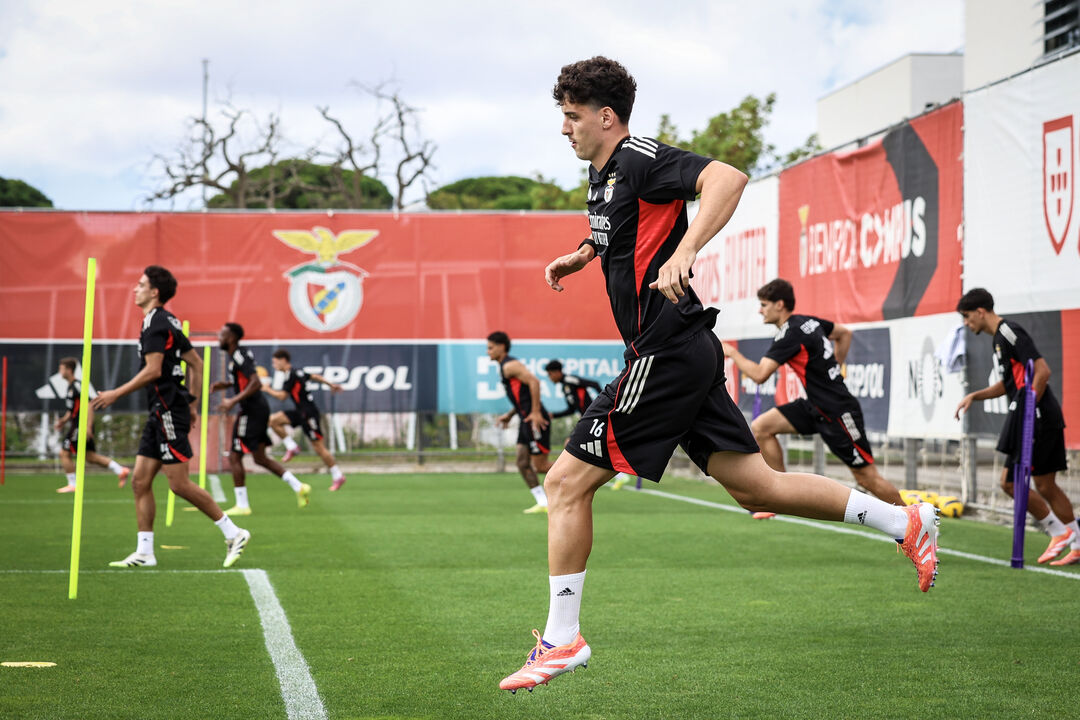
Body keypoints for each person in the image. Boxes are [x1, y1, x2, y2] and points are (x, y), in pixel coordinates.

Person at [498, 56, 939, 694]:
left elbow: (727, 179)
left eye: (571, 117)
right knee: (757, 487)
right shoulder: (602, 178)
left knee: (564, 483)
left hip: (666, 349)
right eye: (561, 116)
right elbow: (623, 227)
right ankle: (907, 522)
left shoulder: (640, 155)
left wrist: (687, 248)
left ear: (605, 117)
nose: (563, 128)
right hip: (682, 349)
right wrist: (583, 254)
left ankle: (562, 641)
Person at [91, 266, 250, 568]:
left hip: (166, 410)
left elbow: (153, 371)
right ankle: (145, 552)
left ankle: (234, 532)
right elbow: (197, 363)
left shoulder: (156, 324)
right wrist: (192, 402)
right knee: (139, 481)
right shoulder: (165, 321)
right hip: (162, 410)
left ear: (154, 292)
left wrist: (115, 393)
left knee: (178, 484)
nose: (134, 289)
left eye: (140, 285)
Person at [722, 278, 904, 514]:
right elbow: (843, 334)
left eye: (764, 304)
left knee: (867, 478)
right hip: (816, 405)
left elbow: (759, 375)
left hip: (838, 411)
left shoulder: (790, 334)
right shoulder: (807, 321)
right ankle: (778, 496)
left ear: (779, 305)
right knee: (761, 427)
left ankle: (914, 522)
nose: (760, 310)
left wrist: (732, 352)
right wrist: (834, 367)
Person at [954, 288, 1079, 566]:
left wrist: (1029, 411)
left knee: (1021, 483)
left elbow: (1042, 371)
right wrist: (975, 395)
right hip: (1030, 414)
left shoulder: (1009, 331)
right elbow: (1008, 384)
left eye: (966, 316)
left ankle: (1062, 533)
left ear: (980, 311)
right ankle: (1072, 538)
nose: (966, 322)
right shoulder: (998, 340)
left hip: (1037, 416)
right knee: (1038, 485)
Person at [210, 323, 312, 515]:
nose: (219, 338)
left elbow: (255, 382)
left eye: (222, 334)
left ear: (231, 337)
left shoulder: (239, 354)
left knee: (234, 456)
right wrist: (228, 385)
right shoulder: (237, 357)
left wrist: (233, 400)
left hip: (251, 410)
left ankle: (242, 505)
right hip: (256, 409)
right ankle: (298, 486)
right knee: (260, 458)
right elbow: (246, 380)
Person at [261, 349, 347, 491]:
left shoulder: (291, 375)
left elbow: (282, 397)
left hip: (309, 414)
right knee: (273, 421)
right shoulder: (297, 372)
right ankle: (292, 446)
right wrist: (330, 384)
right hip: (300, 412)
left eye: (275, 362)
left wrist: (267, 389)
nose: (274, 365)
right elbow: (314, 376)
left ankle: (338, 476)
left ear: (283, 360)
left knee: (319, 447)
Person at [544, 358, 633, 490]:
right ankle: (618, 475)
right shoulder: (565, 387)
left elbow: (594, 383)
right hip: (585, 418)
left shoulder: (570, 380)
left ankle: (574, 475)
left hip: (591, 417)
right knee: (584, 445)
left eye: (550, 374)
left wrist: (604, 405)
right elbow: (571, 409)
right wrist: (554, 415)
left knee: (571, 443)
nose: (550, 378)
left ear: (557, 372)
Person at [488, 331, 552, 514]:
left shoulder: (510, 366)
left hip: (534, 419)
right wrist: (509, 415)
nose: (488, 352)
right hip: (526, 419)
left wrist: (536, 412)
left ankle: (583, 472)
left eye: (490, 347)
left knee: (540, 466)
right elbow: (521, 397)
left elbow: (534, 382)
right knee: (522, 463)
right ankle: (544, 503)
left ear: (501, 347)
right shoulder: (504, 368)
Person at [54, 357, 130, 492]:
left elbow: (89, 405)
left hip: (79, 426)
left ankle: (73, 484)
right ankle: (120, 470)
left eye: (62, 368)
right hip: (75, 424)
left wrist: (88, 426)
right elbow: (72, 410)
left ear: (69, 370)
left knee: (64, 453)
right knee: (90, 457)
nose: (60, 371)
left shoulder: (77, 385)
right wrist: (63, 421)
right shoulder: (70, 387)